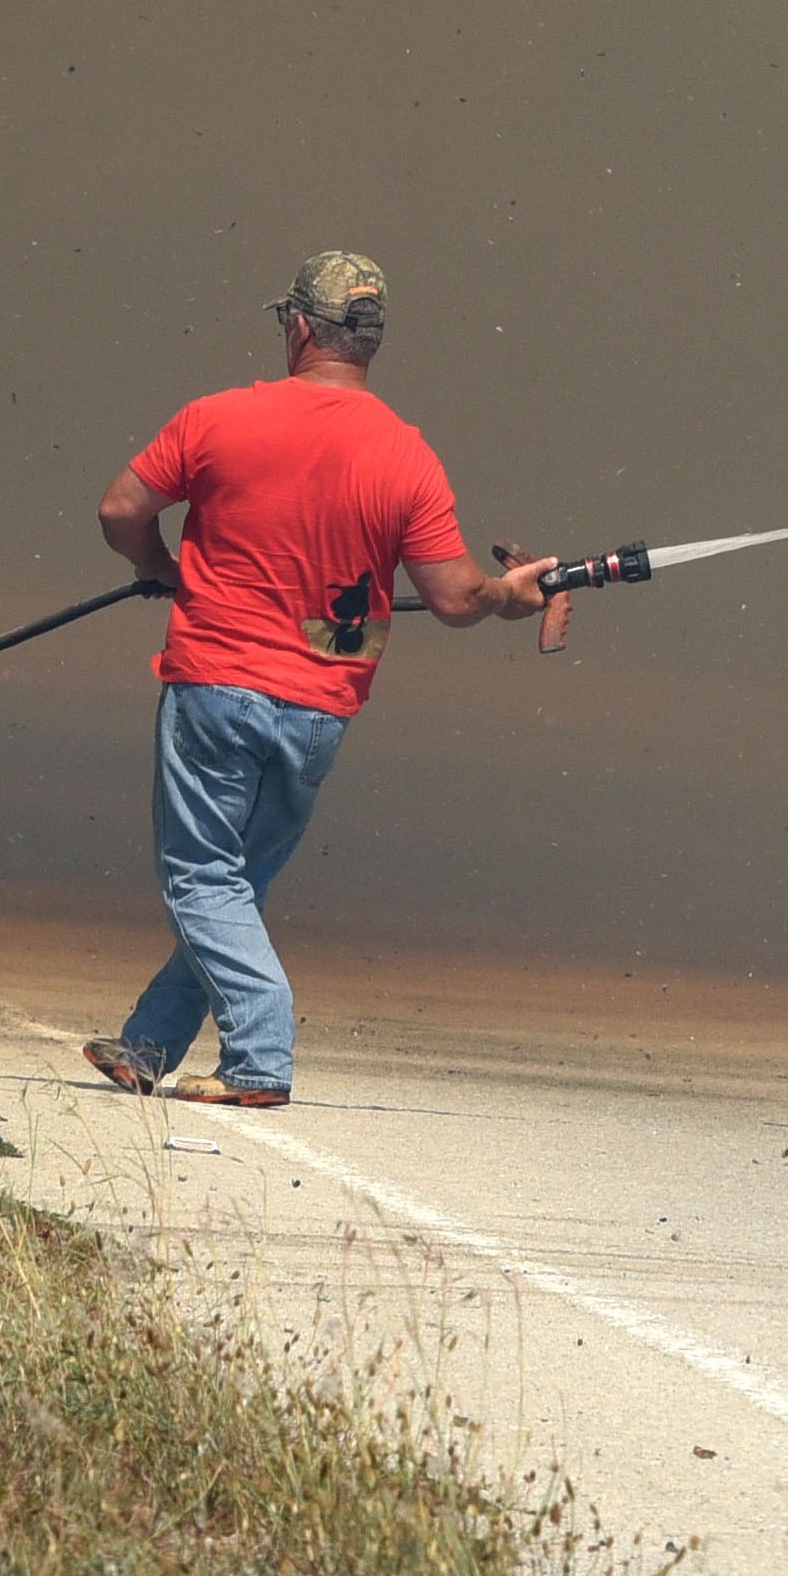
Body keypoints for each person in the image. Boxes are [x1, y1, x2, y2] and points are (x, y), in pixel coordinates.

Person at [82, 250, 561, 1107]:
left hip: (217, 685)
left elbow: (122, 510)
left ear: (299, 327)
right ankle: (149, 1043)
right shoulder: (406, 454)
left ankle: (260, 1058)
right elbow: (455, 598)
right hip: (320, 707)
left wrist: (162, 567)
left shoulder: (218, 419)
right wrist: (510, 598)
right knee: (240, 881)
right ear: (369, 342)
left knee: (201, 879)